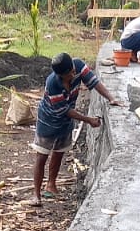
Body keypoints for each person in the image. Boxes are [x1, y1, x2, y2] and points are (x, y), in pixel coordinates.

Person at [33, 52, 120, 203]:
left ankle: (51, 184)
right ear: (61, 75)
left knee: (59, 151)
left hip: (66, 121)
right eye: (70, 74)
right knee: (41, 155)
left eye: (74, 71)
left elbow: (94, 82)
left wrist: (111, 98)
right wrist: (88, 120)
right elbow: (65, 110)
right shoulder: (52, 83)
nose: (74, 74)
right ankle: (36, 195)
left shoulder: (78, 65)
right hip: (48, 121)